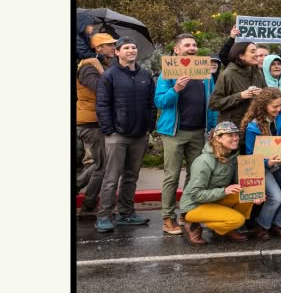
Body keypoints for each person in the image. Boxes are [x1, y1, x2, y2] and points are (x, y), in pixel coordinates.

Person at [154, 33, 218, 235]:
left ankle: (187, 213)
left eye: (195, 45)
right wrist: (176, 88)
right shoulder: (168, 73)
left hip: (199, 132)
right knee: (171, 176)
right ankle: (167, 218)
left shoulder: (204, 73)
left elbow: (212, 104)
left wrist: (213, 127)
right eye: (188, 45)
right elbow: (160, 102)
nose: (192, 48)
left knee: (195, 176)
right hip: (174, 133)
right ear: (177, 50)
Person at [94, 38, 156, 232]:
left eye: (134, 47)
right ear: (117, 53)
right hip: (117, 136)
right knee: (111, 178)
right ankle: (103, 216)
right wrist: (109, 130)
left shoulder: (145, 75)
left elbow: (151, 104)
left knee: (131, 177)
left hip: (140, 134)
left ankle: (126, 213)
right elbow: (102, 105)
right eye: (126, 48)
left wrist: (149, 126)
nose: (131, 50)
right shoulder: (109, 76)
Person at [180, 121, 262, 245]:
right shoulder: (204, 161)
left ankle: (227, 226)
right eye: (230, 135)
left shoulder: (232, 155)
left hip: (215, 199)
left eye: (236, 135)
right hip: (194, 205)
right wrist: (224, 191)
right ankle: (194, 224)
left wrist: (256, 193)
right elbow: (195, 194)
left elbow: (239, 181)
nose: (235, 139)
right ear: (218, 138)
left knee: (247, 195)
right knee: (238, 220)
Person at [241, 88, 281, 239]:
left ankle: (278, 224)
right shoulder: (253, 127)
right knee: (276, 197)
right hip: (262, 164)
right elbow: (250, 155)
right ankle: (262, 225)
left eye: (280, 105)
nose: (278, 109)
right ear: (263, 106)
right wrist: (268, 162)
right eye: (275, 106)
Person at [76, 32, 118, 217]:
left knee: (102, 163)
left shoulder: (102, 64)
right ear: (98, 48)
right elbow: (101, 88)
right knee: (102, 164)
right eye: (109, 44)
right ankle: (87, 200)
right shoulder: (88, 66)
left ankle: (89, 202)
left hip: (97, 120)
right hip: (90, 122)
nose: (113, 47)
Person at [209, 41, 268, 131]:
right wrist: (240, 96)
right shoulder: (227, 74)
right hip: (233, 130)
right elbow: (214, 104)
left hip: (254, 127)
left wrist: (262, 93)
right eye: (252, 51)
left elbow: (267, 94)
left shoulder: (258, 72)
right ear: (241, 56)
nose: (256, 54)